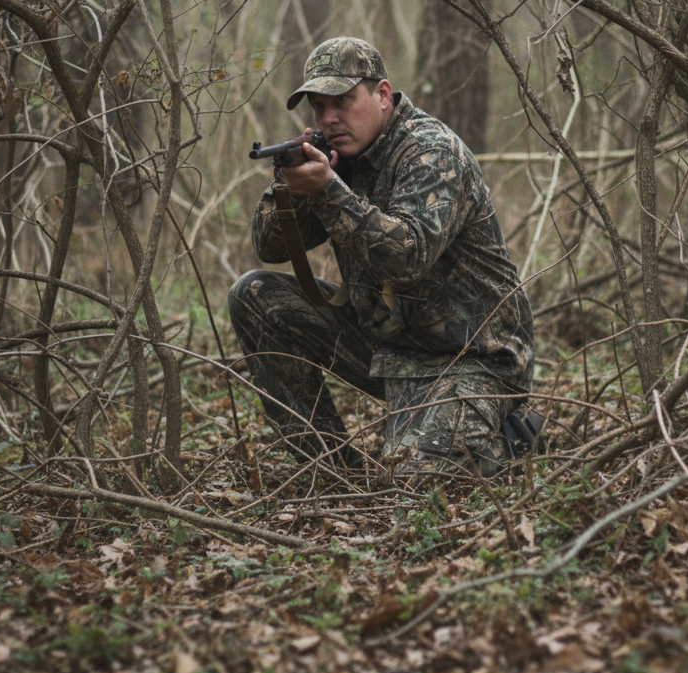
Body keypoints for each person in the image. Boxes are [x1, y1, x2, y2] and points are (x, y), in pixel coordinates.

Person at [228, 37, 540, 479]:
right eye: (319, 107)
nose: (329, 118)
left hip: (472, 357)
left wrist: (328, 191)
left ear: (382, 94)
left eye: (342, 101)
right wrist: (291, 185)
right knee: (254, 295)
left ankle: (511, 439)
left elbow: (407, 259)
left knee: (415, 482)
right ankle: (329, 473)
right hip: (391, 346)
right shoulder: (337, 157)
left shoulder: (431, 152)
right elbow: (271, 248)